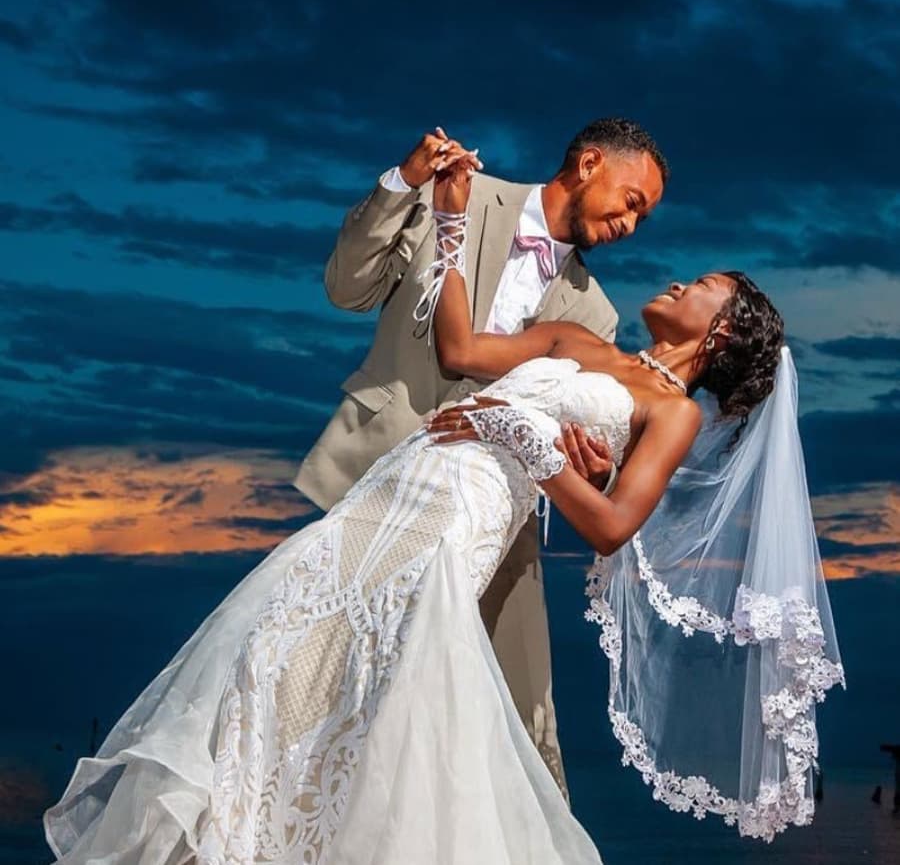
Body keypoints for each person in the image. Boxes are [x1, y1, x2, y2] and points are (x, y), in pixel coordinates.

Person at [44, 149, 818, 863]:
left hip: (460, 522)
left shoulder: (672, 412)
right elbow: (459, 352)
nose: (676, 274)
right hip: (388, 488)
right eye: (635, 204)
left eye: (703, 286)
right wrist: (448, 227)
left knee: (386, 703)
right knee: (270, 657)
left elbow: (611, 526)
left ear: (719, 333)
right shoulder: (580, 341)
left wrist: (527, 438)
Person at [294, 118, 667, 793]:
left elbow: (574, 437)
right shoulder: (457, 192)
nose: (631, 225)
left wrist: (595, 467)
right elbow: (347, 289)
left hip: (487, 518)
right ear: (588, 164)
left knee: (523, 718)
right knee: (324, 681)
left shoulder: (597, 316)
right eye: (632, 201)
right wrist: (401, 185)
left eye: (643, 217)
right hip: (379, 472)